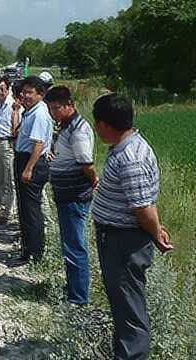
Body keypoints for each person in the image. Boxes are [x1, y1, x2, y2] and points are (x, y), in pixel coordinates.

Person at [91, 94, 173, 359]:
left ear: (104, 124)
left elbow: (143, 207)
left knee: (130, 310)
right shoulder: (127, 148)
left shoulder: (131, 158)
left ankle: (133, 355)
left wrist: (155, 231)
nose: (95, 127)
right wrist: (156, 229)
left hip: (123, 243)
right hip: (117, 239)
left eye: (97, 122)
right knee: (123, 306)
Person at [45, 86, 98, 305]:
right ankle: (73, 289)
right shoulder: (66, 126)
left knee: (75, 246)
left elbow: (86, 163)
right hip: (65, 194)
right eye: (50, 109)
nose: (53, 113)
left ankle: (78, 299)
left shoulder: (78, 129)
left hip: (75, 196)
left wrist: (94, 180)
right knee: (69, 244)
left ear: (70, 105)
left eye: (57, 108)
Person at [14, 76, 53, 262]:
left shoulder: (39, 114)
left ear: (40, 94)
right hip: (23, 158)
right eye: (24, 92)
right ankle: (27, 247)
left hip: (32, 162)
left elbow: (38, 144)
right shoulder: (30, 111)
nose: (25, 96)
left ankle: (35, 252)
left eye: (30, 92)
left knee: (31, 209)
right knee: (24, 207)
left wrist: (28, 169)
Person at [0, 76, 17, 223]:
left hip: (8, 144)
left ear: (8, 89)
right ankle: (3, 206)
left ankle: (10, 211)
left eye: (2, 89)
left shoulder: (13, 106)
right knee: (0, 177)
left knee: (9, 177)